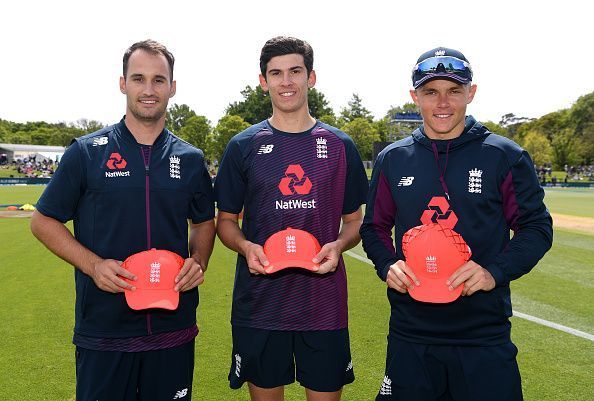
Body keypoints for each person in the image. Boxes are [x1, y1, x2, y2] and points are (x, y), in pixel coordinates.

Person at [360, 47, 553, 401]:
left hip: (482, 334)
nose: (443, 103)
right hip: (411, 333)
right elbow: (373, 227)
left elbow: (537, 227)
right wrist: (387, 264)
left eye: (454, 90)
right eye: (431, 92)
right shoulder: (392, 159)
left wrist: (493, 271)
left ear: (471, 93)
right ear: (414, 97)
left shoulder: (504, 156)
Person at [30, 39, 215, 401]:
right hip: (105, 329)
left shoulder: (191, 159)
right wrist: (94, 265)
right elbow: (43, 221)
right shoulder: (86, 152)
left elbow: (204, 222)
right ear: (122, 83)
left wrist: (199, 261)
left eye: (159, 80)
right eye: (138, 78)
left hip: (172, 326)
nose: (149, 90)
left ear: (172, 88)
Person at [214, 36, 369, 401]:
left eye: (295, 71)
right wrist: (246, 246)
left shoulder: (340, 145)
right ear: (263, 80)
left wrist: (340, 244)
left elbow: (355, 221)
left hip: (323, 305)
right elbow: (225, 222)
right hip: (261, 304)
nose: (286, 82)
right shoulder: (243, 146)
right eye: (276, 73)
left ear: (311, 78)